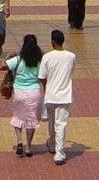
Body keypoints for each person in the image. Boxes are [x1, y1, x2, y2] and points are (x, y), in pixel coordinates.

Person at [0, 33, 44, 157]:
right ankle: (28, 147)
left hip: (19, 92)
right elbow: (44, 76)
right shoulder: (40, 61)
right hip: (34, 92)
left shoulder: (18, 59)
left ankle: (19, 141)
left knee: (18, 117)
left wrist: (7, 58)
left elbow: (2, 66)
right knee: (31, 120)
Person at [38, 29, 76, 165]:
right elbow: (71, 71)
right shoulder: (71, 56)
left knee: (52, 121)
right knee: (61, 123)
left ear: (52, 42)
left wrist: (46, 88)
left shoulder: (47, 57)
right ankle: (59, 152)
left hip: (51, 95)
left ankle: (53, 145)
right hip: (65, 95)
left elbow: (42, 77)